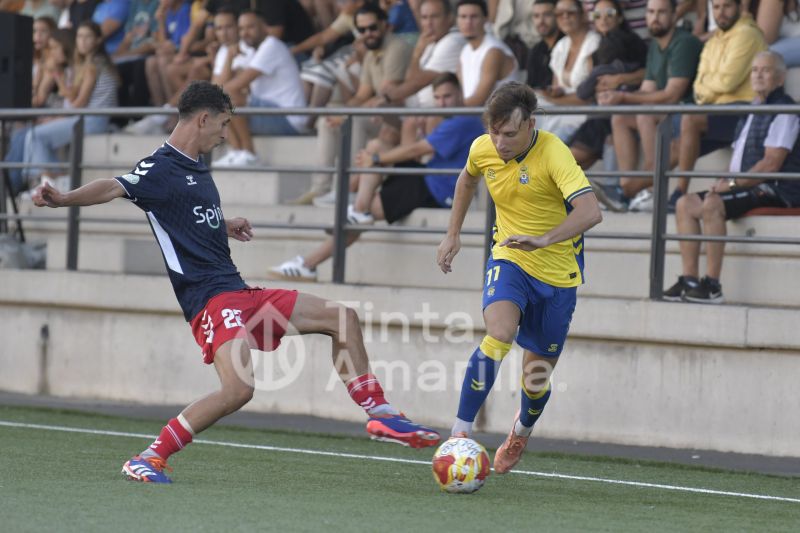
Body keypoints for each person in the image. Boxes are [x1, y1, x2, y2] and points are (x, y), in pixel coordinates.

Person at [32, 81, 441, 484]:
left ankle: (382, 415)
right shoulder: (160, 166)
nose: (227, 134)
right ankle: (149, 457)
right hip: (210, 301)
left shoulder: (196, 168)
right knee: (239, 390)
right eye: (224, 125)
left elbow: (183, 215)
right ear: (204, 119)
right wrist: (64, 199)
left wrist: (223, 225)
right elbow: (114, 186)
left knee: (343, 318)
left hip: (240, 293)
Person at [436, 81, 602, 474]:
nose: (499, 142)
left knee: (535, 380)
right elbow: (466, 179)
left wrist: (544, 239)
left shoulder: (555, 153)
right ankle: (459, 436)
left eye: (509, 134)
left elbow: (591, 211)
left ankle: (521, 431)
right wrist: (453, 233)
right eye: (493, 132)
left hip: (558, 275)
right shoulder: (484, 147)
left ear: (530, 124)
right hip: (509, 258)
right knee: (500, 332)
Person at [267, 73, 485, 282]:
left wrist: (377, 159)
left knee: (370, 175)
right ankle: (355, 213)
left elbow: (416, 150)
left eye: (447, 96)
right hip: (425, 178)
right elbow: (415, 149)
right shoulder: (457, 118)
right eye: (437, 98)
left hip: (435, 190)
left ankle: (309, 262)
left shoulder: (464, 120)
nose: (442, 103)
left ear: (460, 94)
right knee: (375, 145)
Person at [664, 51, 800, 304]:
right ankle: (690, 280)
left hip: (776, 189)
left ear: (780, 79)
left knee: (713, 203)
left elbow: (771, 164)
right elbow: (740, 159)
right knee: (685, 204)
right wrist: (724, 180)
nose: (758, 74)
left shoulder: (785, 110)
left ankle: (712, 287)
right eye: (755, 70)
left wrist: (732, 184)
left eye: (766, 70)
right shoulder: (751, 111)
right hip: (748, 185)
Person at [596, 0, 703, 212]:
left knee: (644, 114)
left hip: (687, 111)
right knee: (621, 117)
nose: (655, 17)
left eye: (662, 12)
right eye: (651, 12)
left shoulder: (684, 42)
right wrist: (614, 96)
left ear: (674, 15)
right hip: (665, 112)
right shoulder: (655, 44)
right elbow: (646, 90)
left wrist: (623, 97)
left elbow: (672, 95)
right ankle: (627, 190)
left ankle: (653, 190)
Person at [674, 0, 766, 208]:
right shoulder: (714, 39)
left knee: (689, 120)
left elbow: (728, 81)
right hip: (717, 110)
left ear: (739, 7)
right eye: (716, 7)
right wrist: (709, 90)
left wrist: (708, 89)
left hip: (745, 111)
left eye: (727, 6)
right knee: (672, 145)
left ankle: (679, 192)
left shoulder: (747, 34)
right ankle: (635, 190)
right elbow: (698, 86)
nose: (721, 13)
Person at [456, 0, 518, 107]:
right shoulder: (465, 51)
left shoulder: (493, 51)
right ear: (457, 20)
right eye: (463, 17)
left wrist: (450, 111)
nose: (468, 22)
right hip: (475, 116)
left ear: (485, 19)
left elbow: (478, 100)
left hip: (500, 118)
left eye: (474, 16)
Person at [525, 0, 563, 91]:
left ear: (557, 16)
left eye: (547, 15)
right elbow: (530, 86)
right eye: (536, 16)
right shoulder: (535, 50)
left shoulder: (567, 44)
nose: (541, 21)